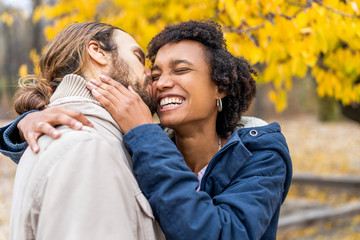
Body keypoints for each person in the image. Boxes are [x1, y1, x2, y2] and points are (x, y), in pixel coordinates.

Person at [1, 20, 292, 239]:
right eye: (155, 73)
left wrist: (143, 131)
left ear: (221, 86)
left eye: (180, 70)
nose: (160, 83)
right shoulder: (132, 144)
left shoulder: (259, 154)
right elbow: (72, 161)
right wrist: (25, 123)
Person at [4, 22, 164, 240]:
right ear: (97, 52)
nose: (150, 73)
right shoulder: (87, 147)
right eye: (138, 57)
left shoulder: (94, 139)